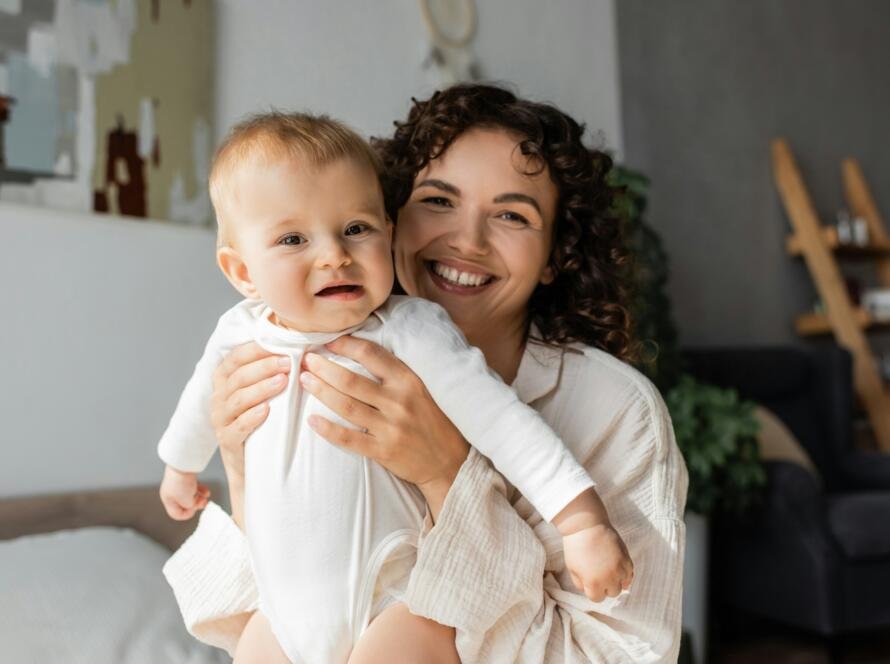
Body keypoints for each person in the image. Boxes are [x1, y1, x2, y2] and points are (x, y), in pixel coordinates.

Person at [163, 83, 688, 663]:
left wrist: (446, 474)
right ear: (397, 218)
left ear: (555, 256)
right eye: (438, 201)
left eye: (512, 215)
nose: (467, 240)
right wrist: (236, 470)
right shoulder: (254, 338)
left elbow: (620, 655)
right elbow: (247, 597)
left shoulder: (615, 409)